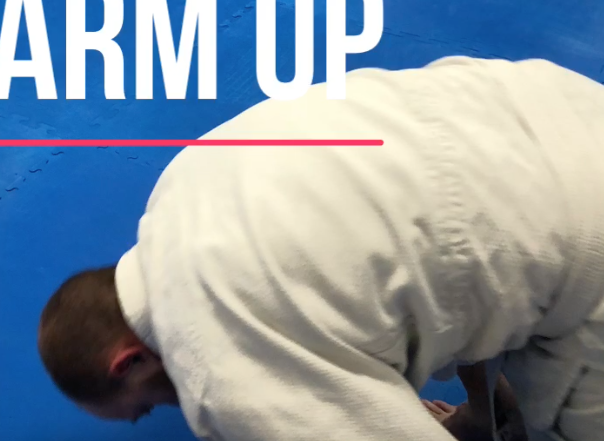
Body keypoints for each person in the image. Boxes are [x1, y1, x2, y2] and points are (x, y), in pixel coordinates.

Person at [38, 55, 604, 441]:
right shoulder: (177, 194)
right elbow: (438, 262)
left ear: (129, 361)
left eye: (143, 407)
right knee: (431, 267)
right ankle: (497, 413)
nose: (169, 407)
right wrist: (482, 418)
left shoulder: (220, 356)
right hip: (545, 104)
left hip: (585, 245)